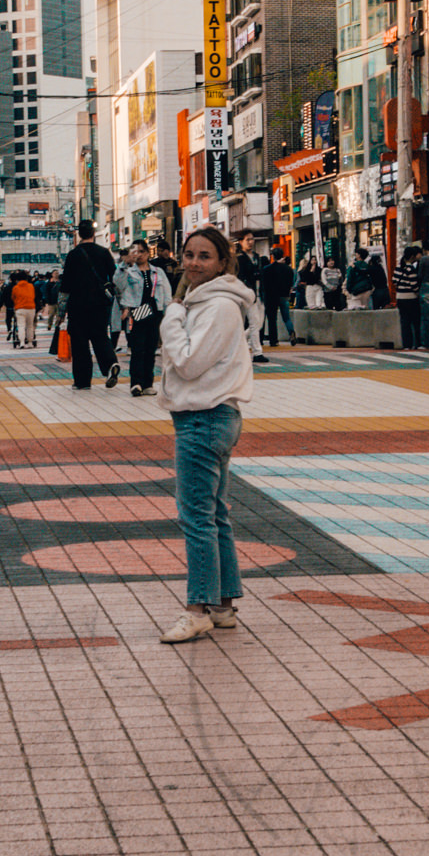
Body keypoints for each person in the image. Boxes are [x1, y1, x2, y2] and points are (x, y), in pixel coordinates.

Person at [158, 226, 254, 644]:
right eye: (189, 254)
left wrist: (172, 317)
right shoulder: (210, 302)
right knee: (214, 515)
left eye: (204, 256)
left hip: (205, 417)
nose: (193, 263)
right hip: (212, 416)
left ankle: (197, 609)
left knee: (196, 517)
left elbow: (188, 362)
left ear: (222, 263)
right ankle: (223, 606)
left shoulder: (215, 307)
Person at [59, 220, 120, 390]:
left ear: (79, 234)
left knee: (80, 344)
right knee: (100, 336)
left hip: (77, 306)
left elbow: (65, 286)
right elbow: (114, 277)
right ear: (93, 234)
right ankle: (110, 365)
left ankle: (82, 381)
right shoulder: (103, 252)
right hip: (100, 304)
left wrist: (60, 312)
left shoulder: (73, 255)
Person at [117, 240, 172, 396]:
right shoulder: (128, 271)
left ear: (148, 253)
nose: (139, 255)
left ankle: (148, 383)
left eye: (142, 251)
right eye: (135, 251)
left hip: (155, 313)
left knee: (150, 349)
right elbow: (118, 284)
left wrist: (168, 313)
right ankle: (136, 383)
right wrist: (123, 265)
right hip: (136, 313)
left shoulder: (158, 272)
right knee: (137, 349)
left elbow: (166, 294)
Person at [235, 231, 269, 363]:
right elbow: (239, 276)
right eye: (247, 240)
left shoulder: (257, 256)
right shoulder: (239, 258)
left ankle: (240, 343)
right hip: (246, 294)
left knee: (258, 323)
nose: (250, 242)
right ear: (241, 242)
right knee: (254, 323)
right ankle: (257, 352)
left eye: (252, 239)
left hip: (259, 293)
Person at [258, 247, 297, 347]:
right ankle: (290, 332)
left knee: (269, 318)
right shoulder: (289, 269)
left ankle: (268, 340)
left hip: (271, 296)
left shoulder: (268, 269)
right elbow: (290, 283)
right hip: (284, 296)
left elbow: (265, 284)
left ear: (273, 256)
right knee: (286, 318)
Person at [394, 244, 422, 350]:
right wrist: (417, 292)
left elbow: (394, 281)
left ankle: (406, 344)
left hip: (400, 297)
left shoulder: (398, 267)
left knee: (404, 322)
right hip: (411, 298)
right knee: (415, 321)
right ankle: (417, 343)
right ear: (412, 257)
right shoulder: (411, 269)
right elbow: (414, 284)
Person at [11, 270, 38, 349]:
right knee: (30, 326)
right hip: (31, 307)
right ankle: (30, 342)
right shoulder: (31, 286)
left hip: (20, 308)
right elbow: (33, 296)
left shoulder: (16, 287)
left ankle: (22, 342)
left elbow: (13, 298)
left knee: (21, 326)